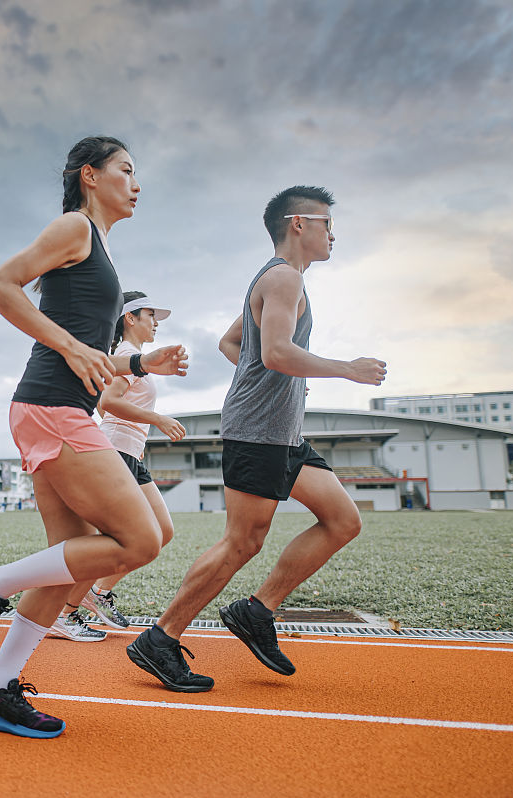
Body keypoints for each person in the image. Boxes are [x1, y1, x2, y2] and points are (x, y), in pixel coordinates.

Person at [0, 136, 188, 738]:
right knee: (142, 538)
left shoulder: (98, 247)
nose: (137, 183)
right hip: (52, 408)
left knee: (64, 565)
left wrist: (141, 363)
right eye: (126, 170)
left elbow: (89, 355)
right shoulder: (75, 228)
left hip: (54, 407)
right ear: (90, 175)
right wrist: (71, 345)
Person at [127, 186, 387, 691]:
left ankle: (257, 611)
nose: (333, 234)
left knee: (342, 520)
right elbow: (275, 353)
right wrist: (347, 369)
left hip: (283, 432)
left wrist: (267, 378)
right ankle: (160, 638)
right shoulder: (283, 277)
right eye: (327, 223)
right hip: (258, 431)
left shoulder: (282, 280)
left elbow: (234, 343)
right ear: (298, 223)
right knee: (242, 542)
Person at [49, 291, 185, 642]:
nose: (155, 323)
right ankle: (64, 613)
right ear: (130, 318)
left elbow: (103, 404)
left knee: (162, 530)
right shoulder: (126, 355)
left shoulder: (132, 358)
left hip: (131, 455)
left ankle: (98, 591)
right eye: (150, 315)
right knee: (114, 538)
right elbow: (109, 402)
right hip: (117, 451)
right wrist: (157, 419)